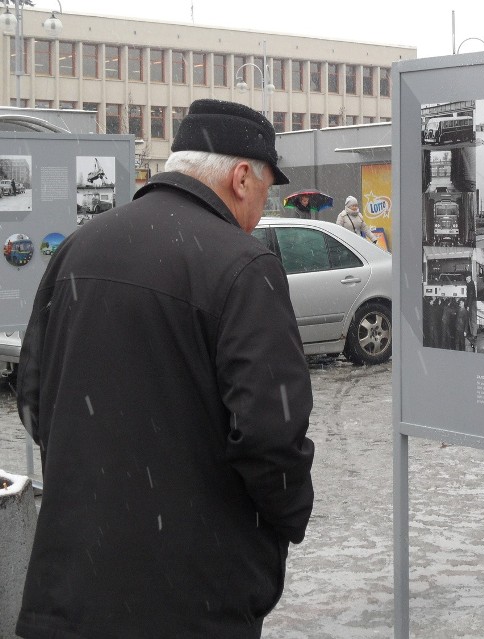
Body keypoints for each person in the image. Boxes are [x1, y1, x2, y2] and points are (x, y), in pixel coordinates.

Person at [15, 99, 315, 639]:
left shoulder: (80, 247)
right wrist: (286, 521)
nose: (260, 207)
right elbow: (272, 434)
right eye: (267, 187)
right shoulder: (244, 267)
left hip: (70, 588)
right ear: (242, 177)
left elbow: (34, 399)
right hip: (190, 596)